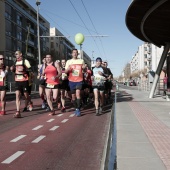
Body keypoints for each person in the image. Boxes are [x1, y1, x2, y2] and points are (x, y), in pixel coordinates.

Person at [10, 51, 32, 118]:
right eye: (15, 54)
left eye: (17, 54)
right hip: (17, 81)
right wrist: (12, 69)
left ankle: (30, 102)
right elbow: (14, 70)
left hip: (24, 80)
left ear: (20, 54)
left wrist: (24, 69)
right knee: (17, 95)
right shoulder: (15, 62)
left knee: (25, 95)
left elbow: (30, 69)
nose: (16, 55)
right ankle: (18, 112)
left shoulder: (25, 61)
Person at [65, 49, 85, 117]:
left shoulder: (81, 61)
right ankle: (76, 108)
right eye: (73, 52)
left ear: (77, 54)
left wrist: (84, 68)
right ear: (71, 54)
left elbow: (84, 70)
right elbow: (65, 71)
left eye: (76, 53)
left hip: (79, 80)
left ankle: (78, 109)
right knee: (73, 97)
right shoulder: (69, 61)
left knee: (78, 94)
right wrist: (68, 69)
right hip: (71, 80)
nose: (75, 54)